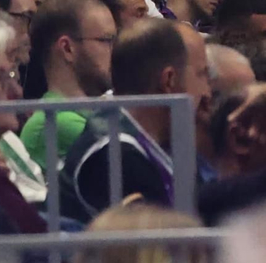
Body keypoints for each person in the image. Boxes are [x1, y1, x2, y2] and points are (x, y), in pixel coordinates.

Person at [59, 17, 208, 220]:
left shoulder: (158, 138)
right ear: (169, 80)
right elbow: (167, 243)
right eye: (202, 75)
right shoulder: (115, 156)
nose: (207, 91)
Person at [20, 0, 115, 179]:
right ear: (67, 48)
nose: (116, 50)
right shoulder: (55, 122)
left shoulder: (85, 113)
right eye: (106, 41)